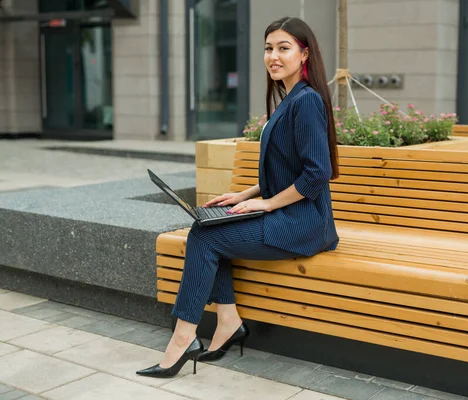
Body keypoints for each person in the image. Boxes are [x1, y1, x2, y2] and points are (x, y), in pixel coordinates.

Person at [136, 16, 340, 378]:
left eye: (283, 48)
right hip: (290, 216)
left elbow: (316, 174)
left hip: (304, 224)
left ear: (304, 54)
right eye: (268, 48)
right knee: (211, 228)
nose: (273, 56)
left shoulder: (305, 101)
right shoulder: (290, 99)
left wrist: (265, 204)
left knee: (204, 237)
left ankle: (183, 340)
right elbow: (286, 169)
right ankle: (227, 320)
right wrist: (242, 195)